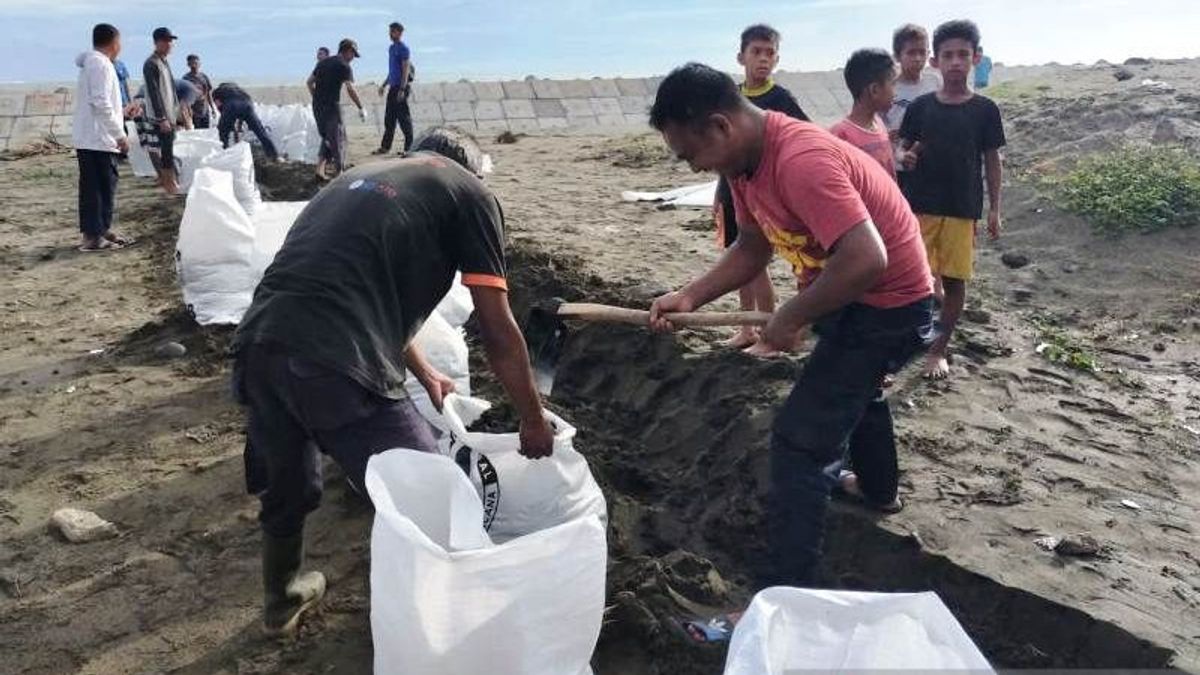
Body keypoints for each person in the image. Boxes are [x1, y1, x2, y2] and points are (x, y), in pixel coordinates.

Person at [231, 126, 555, 636]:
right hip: (334, 360)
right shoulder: (470, 193)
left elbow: (353, 281)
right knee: (434, 493)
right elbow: (496, 327)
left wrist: (424, 371)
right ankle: (459, 627)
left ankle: (282, 597)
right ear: (468, 166)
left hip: (259, 343)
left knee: (289, 480)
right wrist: (532, 418)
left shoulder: (355, 180)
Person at [647, 63, 934, 588]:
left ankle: (784, 593)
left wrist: (791, 316)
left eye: (690, 154)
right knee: (855, 389)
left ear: (720, 126)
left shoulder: (801, 159)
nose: (690, 167)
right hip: (845, 292)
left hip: (888, 304)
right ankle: (878, 490)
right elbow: (753, 245)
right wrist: (691, 295)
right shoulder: (741, 167)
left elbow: (867, 259)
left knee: (800, 444)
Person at [899, 20, 1005, 380]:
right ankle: (901, 348)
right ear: (935, 62)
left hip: (962, 209)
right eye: (948, 55)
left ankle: (937, 350)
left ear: (976, 57)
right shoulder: (921, 108)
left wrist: (995, 209)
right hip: (920, 206)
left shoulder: (985, 110)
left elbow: (992, 159)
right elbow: (906, 148)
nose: (956, 62)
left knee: (955, 282)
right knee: (913, 280)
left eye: (963, 54)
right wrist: (906, 157)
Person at [715, 24, 810, 354]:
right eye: (756, 52)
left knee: (756, 263)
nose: (763, 59)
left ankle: (768, 327)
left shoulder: (780, 99)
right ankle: (746, 328)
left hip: (762, 195)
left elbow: (804, 135)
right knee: (735, 258)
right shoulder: (729, 97)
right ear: (741, 56)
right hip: (730, 191)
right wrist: (720, 195)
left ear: (777, 59)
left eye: (769, 53)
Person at [73, 23, 134, 252]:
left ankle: (99, 230)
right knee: (98, 188)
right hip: (98, 139)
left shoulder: (94, 64)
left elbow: (101, 102)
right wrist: (119, 135)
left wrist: (124, 112)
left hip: (94, 136)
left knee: (99, 187)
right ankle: (93, 238)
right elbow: (100, 102)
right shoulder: (101, 64)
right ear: (114, 42)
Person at [885, 24, 941, 196]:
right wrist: (887, 135)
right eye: (911, 52)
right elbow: (873, 123)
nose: (917, 58)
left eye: (922, 52)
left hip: (931, 162)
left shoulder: (936, 82)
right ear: (897, 56)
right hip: (896, 166)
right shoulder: (888, 87)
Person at [830, 49, 898, 178]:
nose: (896, 93)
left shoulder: (879, 123)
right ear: (875, 90)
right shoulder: (840, 136)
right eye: (893, 84)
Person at [307, 38, 367, 180]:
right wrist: (361, 107)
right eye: (353, 54)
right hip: (332, 107)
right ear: (348, 51)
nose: (353, 58)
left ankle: (319, 170)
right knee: (339, 139)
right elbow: (350, 88)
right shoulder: (344, 66)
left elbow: (309, 82)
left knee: (327, 138)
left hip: (317, 107)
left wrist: (317, 98)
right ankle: (339, 173)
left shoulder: (322, 63)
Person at [143, 26, 181, 194]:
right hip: (161, 116)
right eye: (166, 41)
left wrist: (177, 114)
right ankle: (169, 183)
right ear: (157, 42)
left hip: (170, 114)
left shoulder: (164, 62)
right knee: (165, 149)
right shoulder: (151, 63)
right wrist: (162, 118)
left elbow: (171, 91)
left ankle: (170, 181)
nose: (170, 44)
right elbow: (154, 92)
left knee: (169, 148)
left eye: (171, 41)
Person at [373, 21, 414, 155]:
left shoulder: (404, 48)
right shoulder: (391, 49)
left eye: (393, 31)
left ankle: (409, 148)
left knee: (403, 119)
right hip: (392, 87)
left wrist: (402, 89)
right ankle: (385, 147)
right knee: (389, 118)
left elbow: (405, 69)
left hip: (401, 88)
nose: (390, 34)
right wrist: (384, 85)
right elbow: (392, 71)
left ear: (400, 33)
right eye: (390, 31)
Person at [212, 82, 279, 160]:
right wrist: (239, 124)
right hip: (248, 106)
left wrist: (226, 122)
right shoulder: (240, 90)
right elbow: (247, 103)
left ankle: (223, 155)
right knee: (260, 132)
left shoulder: (217, 91)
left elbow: (219, 106)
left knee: (223, 132)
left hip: (231, 106)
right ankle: (274, 155)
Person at [183, 54, 216, 129]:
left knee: (206, 132)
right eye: (192, 63)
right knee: (197, 134)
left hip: (205, 110)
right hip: (193, 112)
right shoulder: (186, 78)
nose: (194, 65)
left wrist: (213, 108)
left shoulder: (204, 77)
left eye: (196, 63)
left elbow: (208, 93)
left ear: (199, 64)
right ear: (188, 65)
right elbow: (184, 98)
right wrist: (187, 112)